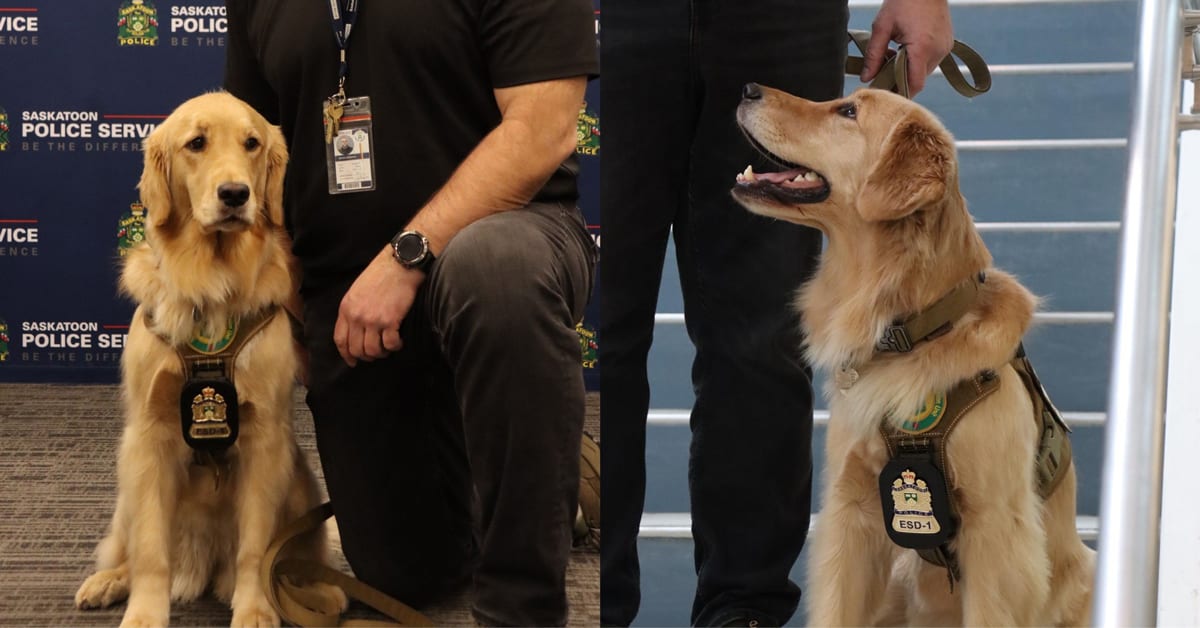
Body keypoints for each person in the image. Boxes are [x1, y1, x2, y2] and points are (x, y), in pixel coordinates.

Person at [223, 2, 598, 626]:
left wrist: (406, 257)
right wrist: (293, 309)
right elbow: (249, 157)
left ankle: (521, 606)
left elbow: (543, 129)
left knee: (496, 271)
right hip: (349, 302)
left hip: (506, 241)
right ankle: (552, 467)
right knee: (403, 573)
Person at [598, 0, 954, 625]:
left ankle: (745, 610)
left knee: (762, 339)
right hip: (602, 20)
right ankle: (591, 602)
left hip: (778, 18)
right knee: (595, 333)